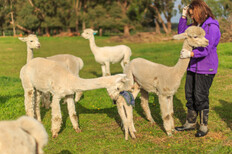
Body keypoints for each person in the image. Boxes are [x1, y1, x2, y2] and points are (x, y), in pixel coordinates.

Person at [175, 0, 221, 137]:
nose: (192, 17)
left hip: (206, 67)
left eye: (192, 15)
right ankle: (190, 123)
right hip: (193, 66)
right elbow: (182, 32)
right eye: (190, 15)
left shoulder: (212, 27)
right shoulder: (197, 25)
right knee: (189, 94)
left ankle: (204, 126)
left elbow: (208, 48)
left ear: (199, 11)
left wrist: (191, 53)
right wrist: (183, 16)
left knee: (200, 96)